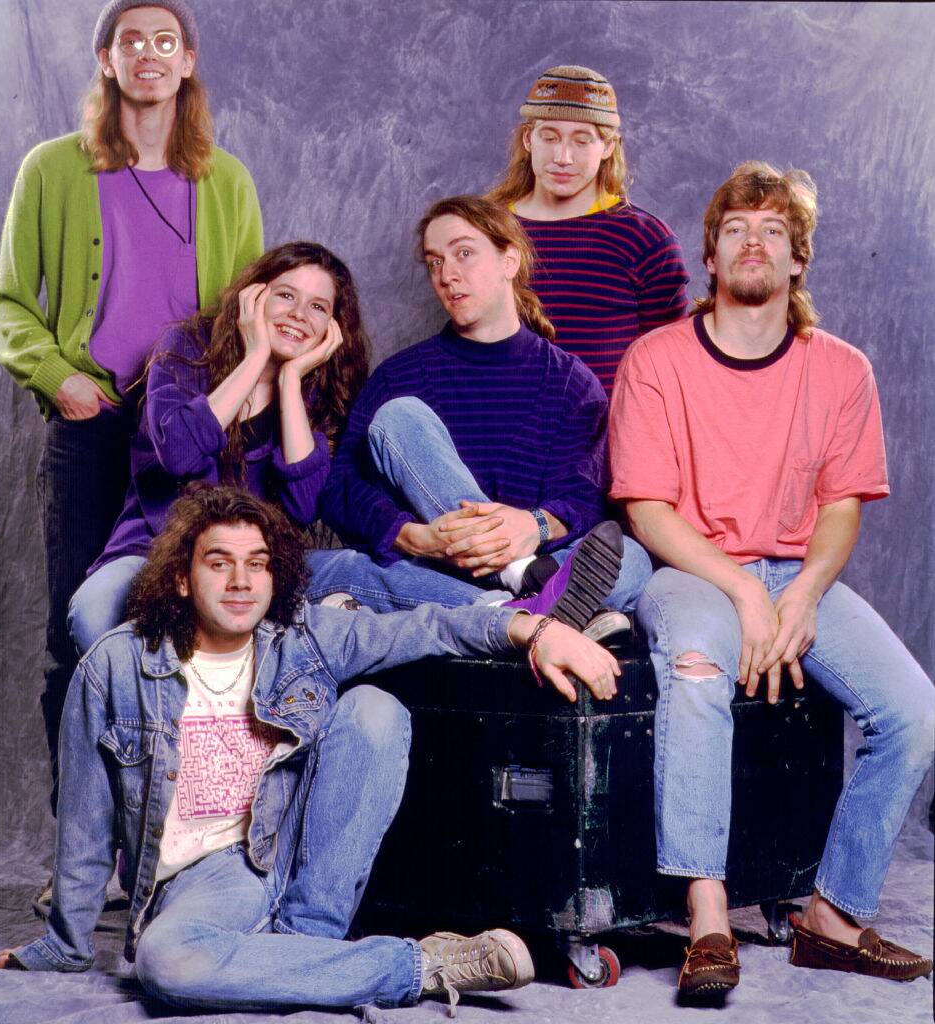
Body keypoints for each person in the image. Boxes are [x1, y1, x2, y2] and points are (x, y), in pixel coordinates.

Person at [0, 484, 625, 1014]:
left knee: (373, 709)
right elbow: (85, 819)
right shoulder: (116, 666)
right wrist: (66, 943)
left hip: (299, 848)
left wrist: (537, 627)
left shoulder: (303, 637)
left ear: (276, 575)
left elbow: (426, 624)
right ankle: (419, 964)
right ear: (181, 579)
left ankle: (304, 945)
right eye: (219, 563)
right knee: (164, 962)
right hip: (213, 877)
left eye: (258, 563)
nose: (241, 581)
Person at [609, 161, 934, 998]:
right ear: (710, 258)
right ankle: (708, 917)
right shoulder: (655, 359)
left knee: (913, 713)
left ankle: (831, 916)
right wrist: (747, 592)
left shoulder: (842, 371)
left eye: (774, 232)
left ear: (798, 262)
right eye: (735, 230)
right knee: (697, 671)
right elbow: (648, 511)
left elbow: (840, 506)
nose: (754, 243)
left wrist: (800, 592)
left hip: (797, 569)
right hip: (689, 566)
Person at [0, 0, 263, 811]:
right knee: (76, 634)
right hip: (95, 423)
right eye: (130, 40)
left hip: (188, 435)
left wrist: (231, 399)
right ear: (107, 60)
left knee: (193, 628)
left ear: (187, 61)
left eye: (165, 41)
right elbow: (11, 305)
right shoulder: (51, 169)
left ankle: (178, 831)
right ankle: (82, 845)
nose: (148, 53)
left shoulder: (228, 180)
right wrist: (56, 377)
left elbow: (249, 314)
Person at [311, 194, 652, 630]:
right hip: (433, 571)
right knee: (400, 417)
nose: (447, 275)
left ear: (510, 260)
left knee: (635, 559)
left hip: (541, 563)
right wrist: (410, 536)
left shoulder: (570, 381)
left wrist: (534, 527)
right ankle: (529, 592)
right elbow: (341, 487)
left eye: (464, 253)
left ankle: (509, 607)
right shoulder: (401, 375)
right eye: (435, 262)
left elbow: (585, 497)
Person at [67, 241, 368, 654]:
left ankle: (485, 611)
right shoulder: (185, 348)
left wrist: (289, 379)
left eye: (318, 306)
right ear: (253, 297)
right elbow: (179, 453)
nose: (299, 314)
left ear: (333, 327)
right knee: (92, 610)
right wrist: (256, 356)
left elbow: (304, 505)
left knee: (361, 574)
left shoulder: (315, 396)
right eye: (286, 295)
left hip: (253, 569)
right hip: (152, 552)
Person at [488, 64, 689, 397]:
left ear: (608, 146)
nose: (562, 157)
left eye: (582, 141)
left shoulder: (647, 240)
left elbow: (670, 368)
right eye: (549, 137)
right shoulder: (488, 229)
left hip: (608, 438)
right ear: (528, 139)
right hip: (501, 430)